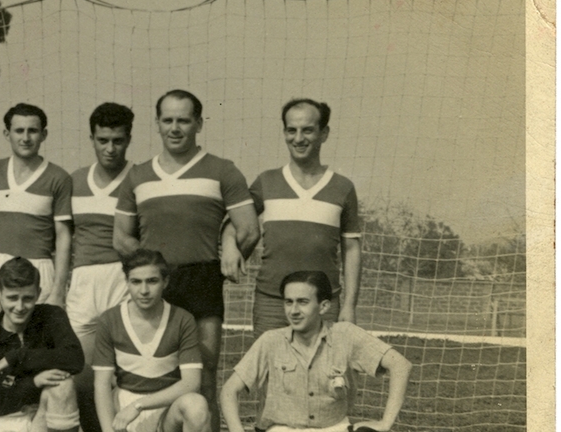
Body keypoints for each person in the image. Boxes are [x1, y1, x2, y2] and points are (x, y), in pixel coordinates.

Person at [114, 89, 260, 428]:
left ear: (198, 123)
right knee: (151, 368)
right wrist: (150, 272)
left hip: (202, 281)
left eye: (183, 120)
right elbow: (120, 237)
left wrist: (228, 258)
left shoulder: (222, 170)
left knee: (204, 370)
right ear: (157, 124)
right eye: (168, 120)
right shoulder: (138, 175)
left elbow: (249, 230)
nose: (175, 128)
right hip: (155, 283)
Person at [226, 99, 362, 337]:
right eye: (292, 130)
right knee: (269, 371)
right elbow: (235, 221)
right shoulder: (266, 181)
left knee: (324, 372)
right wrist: (229, 245)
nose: (298, 138)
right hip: (272, 302)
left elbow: (351, 248)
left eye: (307, 130)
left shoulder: (343, 187)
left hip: (323, 304)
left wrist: (349, 305)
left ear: (324, 133)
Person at [220, 271, 412, 432]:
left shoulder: (345, 335)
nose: (293, 310)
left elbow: (401, 365)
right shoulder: (271, 340)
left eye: (302, 302)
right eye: (288, 302)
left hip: (333, 428)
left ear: (323, 306)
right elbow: (229, 391)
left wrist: (385, 423)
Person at [67, 102, 136, 432]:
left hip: (121, 280)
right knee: (81, 376)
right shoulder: (74, 181)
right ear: (91, 138)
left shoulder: (138, 179)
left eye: (118, 140)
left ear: (129, 139)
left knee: (123, 375)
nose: (110, 148)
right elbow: (63, 238)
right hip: (82, 282)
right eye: (102, 140)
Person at [92, 249, 210, 432]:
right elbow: (101, 384)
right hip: (124, 412)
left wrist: (139, 405)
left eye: (152, 281)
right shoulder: (110, 320)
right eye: (136, 282)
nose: (144, 290)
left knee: (197, 406)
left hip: (165, 409)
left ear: (165, 282)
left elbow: (191, 383)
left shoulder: (182, 319)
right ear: (127, 283)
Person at [0, 103, 73, 324]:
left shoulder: (59, 178)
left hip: (36, 268)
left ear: (44, 134)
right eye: (19, 130)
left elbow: (64, 237)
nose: (26, 137)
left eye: (33, 131)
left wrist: (59, 290)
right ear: (6, 133)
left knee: (34, 348)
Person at [0, 257, 84, 432]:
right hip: (6, 415)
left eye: (28, 298)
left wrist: (17, 357)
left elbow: (75, 358)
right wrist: (34, 382)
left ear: (38, 293)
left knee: (62, 385)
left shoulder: (52, 316)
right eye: (12, 298)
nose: (20, 306)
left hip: (50, 410)